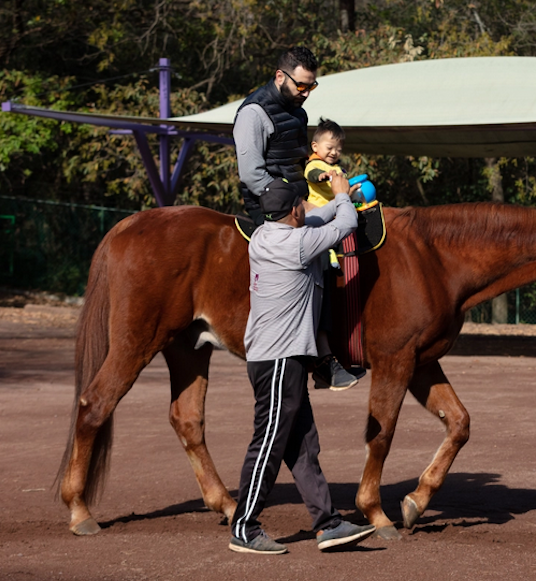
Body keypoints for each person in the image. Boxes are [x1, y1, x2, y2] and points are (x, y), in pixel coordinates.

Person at [228, 173, 375, 555]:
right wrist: (344, 196)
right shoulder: (297, 245)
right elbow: (345, 224)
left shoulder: (265, 235)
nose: (304, 209)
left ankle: (327, 524)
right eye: (301, 204)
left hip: (279, 359)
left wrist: (340, 197)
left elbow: (318, 219)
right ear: (294, 210)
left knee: (303, 445)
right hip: (278, 360)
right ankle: (244, 526)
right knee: (269, 444)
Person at [233, 46, 360, 391]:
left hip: (296, 203)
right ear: (280, 77)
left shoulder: (298, 113)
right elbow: (251, 174)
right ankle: (323, 359)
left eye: (311, 87)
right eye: (301, 86)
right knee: (315, 256)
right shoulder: (254, 113)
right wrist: (292, 209)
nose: (306, 93)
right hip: (271, 205)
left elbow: (296, 162)